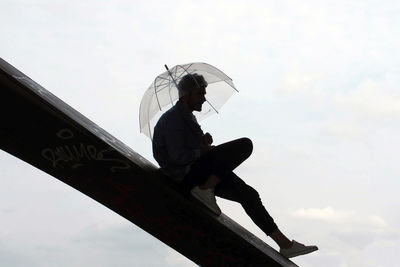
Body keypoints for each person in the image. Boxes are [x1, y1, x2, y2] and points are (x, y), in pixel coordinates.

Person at [152, 73, 318, 258]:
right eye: (200, 94)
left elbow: (194, 150)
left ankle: (285, 245)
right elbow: (177, 157)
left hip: (197, 172)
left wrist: (203, 144)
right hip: (185, 178)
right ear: (186, 95)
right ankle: (205, 189)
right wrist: (203, 151)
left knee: (249, 195)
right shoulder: (173, 119)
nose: (204, 99)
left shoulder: (188, 118)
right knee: (244, 145)